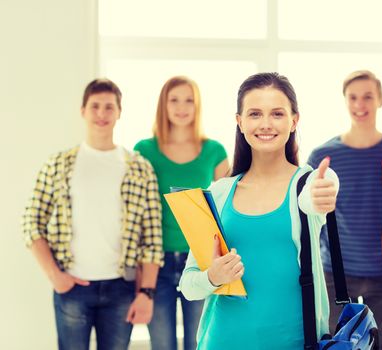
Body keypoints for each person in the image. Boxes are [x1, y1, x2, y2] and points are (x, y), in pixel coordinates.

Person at [179, 72, 339, 349]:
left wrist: (323, 193)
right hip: (222, 341)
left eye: (277, 113)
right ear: (240, 122)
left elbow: (319, 193)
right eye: (254, 114)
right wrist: (213, 277)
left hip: (294, 342)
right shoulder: (218, 192)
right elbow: (189, 285)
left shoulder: (308, 184)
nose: (266, 124)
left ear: (294, 121)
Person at [22, 79, 163, 350]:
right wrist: (54, 275)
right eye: (95, 106)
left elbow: (152, 238)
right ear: (83, 110)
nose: (101, 114)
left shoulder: (139, 167)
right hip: (72, 287)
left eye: (109, 107)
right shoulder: (59, 164)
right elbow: (31, 221)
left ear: (119, 112)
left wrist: (146, 293)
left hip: (121, 288)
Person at [134, 76, 229, 350]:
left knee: (199, 343)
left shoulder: (214, 150)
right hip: (157, 264)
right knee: (162, 344)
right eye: (174, 100)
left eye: (189, 100)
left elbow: (227, 206)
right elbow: (137, 212)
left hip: (199, 260)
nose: (181, 107)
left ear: (197, 105)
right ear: (163, 105)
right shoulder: (144, 150)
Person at [307, 70, 382, 349]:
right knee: (335, 345)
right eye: (353, 97)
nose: (360, 104)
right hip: (336, 275)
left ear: (380, 100)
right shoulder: (322, 156)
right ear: (345, 101)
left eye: (368, 96)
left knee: (380, 345)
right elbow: (310, 217)